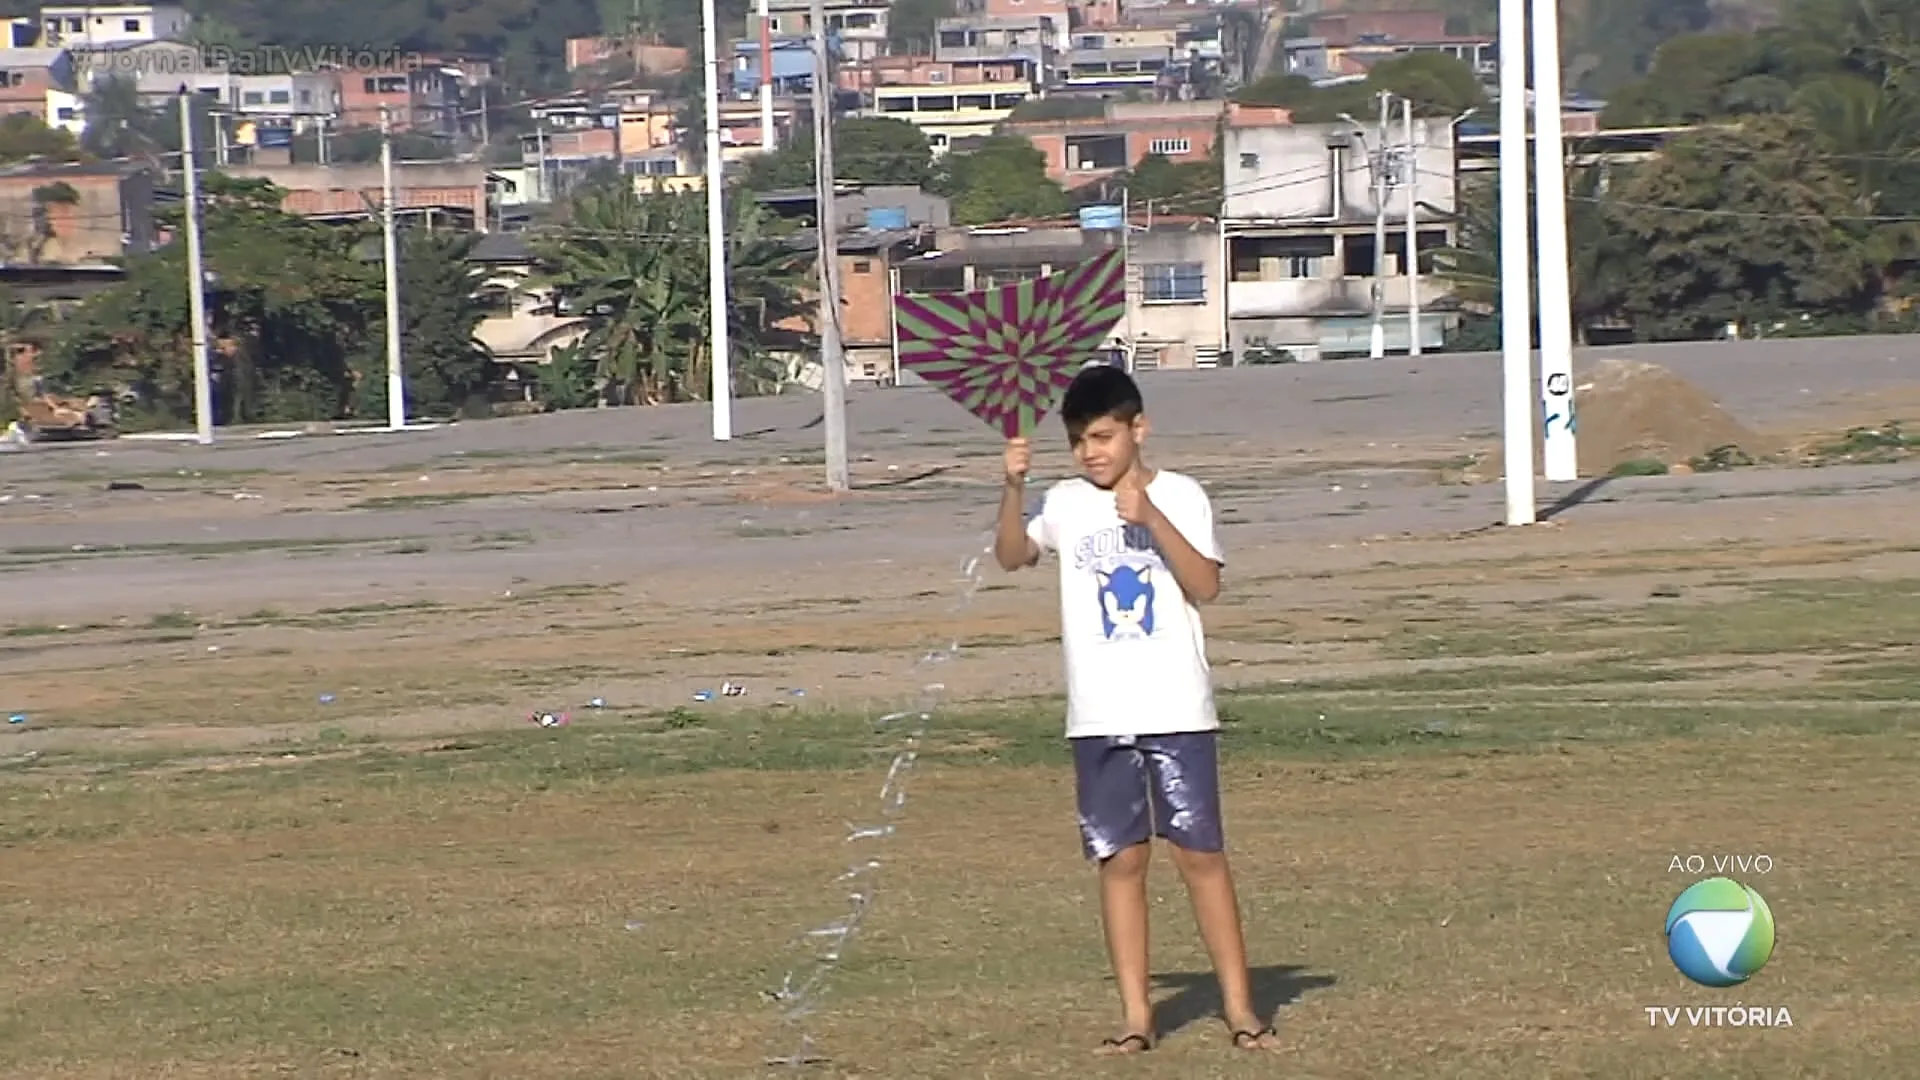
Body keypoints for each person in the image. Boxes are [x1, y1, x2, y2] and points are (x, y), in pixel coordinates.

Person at [992, 364, 1277, 1056]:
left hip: (1176, 707)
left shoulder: (1181, 494)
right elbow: (1010, 555)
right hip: (1098, 713)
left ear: (1136, 429)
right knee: (1120, 859)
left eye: (1103, 436)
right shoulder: (1064, 503)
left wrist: (1150, 517)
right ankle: (1135, 1015)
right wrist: (1013, 485)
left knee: (1199, 854)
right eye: (1080, 441)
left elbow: (1206, 585)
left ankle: (1242, 1009)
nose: (1093, 452)